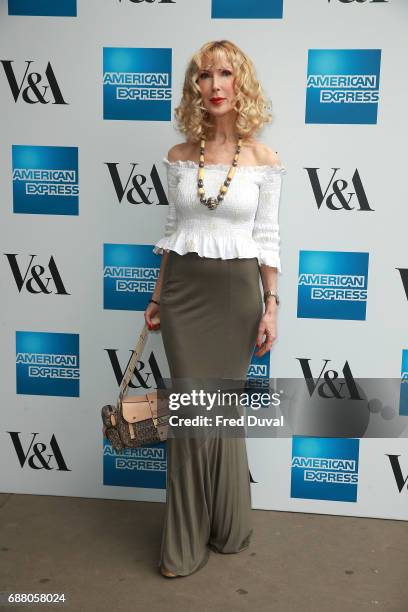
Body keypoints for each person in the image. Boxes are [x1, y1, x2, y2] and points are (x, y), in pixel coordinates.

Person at [144, 40, 286, 578]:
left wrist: (271, 306)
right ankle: (183, 545)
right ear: (195, 88)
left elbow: (268, 239)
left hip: (236, 298)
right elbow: (172, 231)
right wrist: (158, 296)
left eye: (225, 74)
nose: (216, 85)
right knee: (189, 413)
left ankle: (230, 528)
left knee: (221, 412)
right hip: (183, 294)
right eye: (205, 76)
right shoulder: (180, 158)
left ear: (239, 83)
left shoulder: (264, 160)